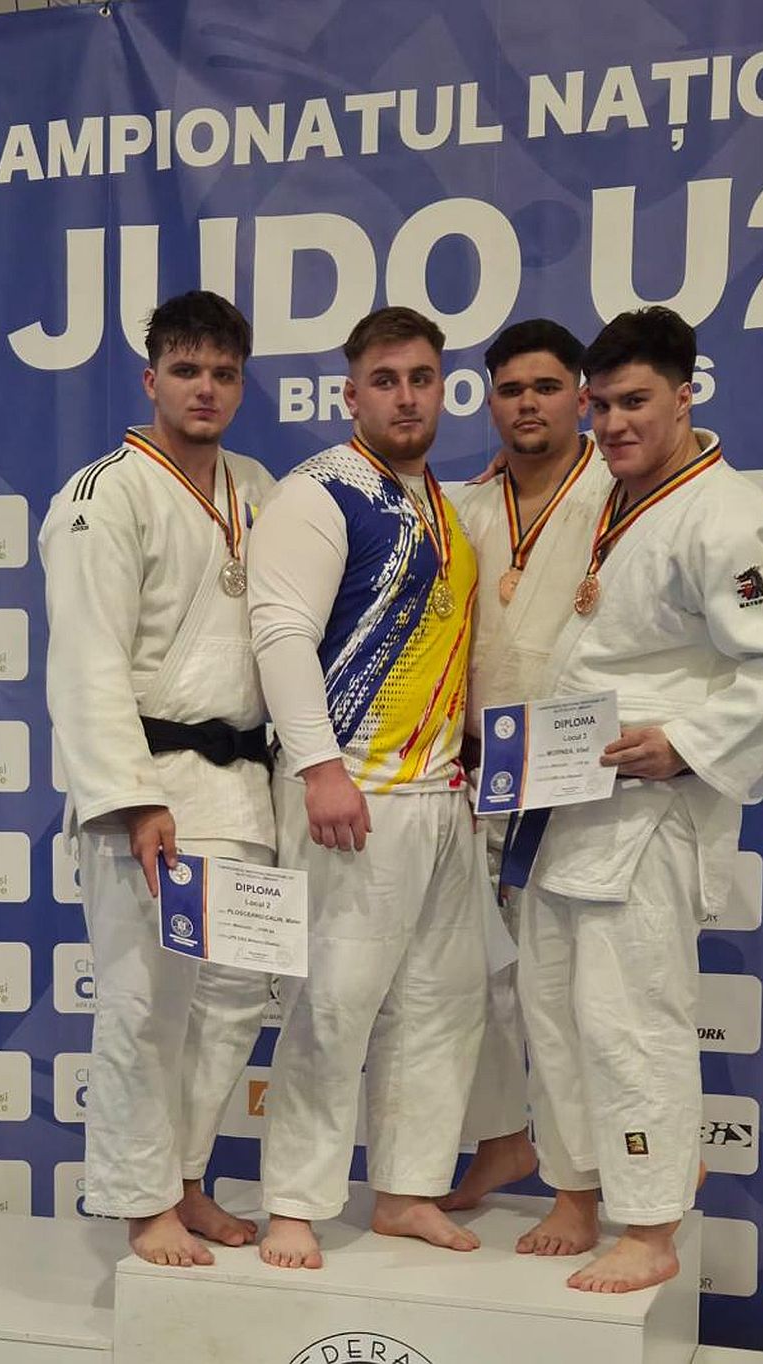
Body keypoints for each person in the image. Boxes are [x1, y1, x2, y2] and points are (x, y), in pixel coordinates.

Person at [514, 306, 763, 1292]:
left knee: (628, 1018)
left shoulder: (722, 516)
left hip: (648, 811)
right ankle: (575, 1189)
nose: (612, 422)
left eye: (634, 402)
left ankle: (649, 1222)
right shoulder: (619, 498)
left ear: (686, 395)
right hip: (571, 799)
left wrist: (689, 744)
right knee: (553, 1010)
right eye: (600, 404)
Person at [39, 291, 276, 1267]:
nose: (205, 388)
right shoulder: (104, 494)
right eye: (186, 370)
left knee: (233, 999)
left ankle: (185, 1177)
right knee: (145, 1004)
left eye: (223, 373)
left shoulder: (257, 486)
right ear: (151, 380)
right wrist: (135, 800)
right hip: (153, 791)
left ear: (241, 384)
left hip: (243, 787)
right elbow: (86, 659)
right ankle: (141, 1202)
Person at [247, 306, 487, 1270]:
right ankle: (293, 1205)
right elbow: (280, 634)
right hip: (353, 793)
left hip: (439, 796)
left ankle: (406, 1189)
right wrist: (319, 767)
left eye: (422, 378)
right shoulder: (320, 492)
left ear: (443, 390)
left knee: (441, 1003)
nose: (406, 396)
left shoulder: (445, 507)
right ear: (351, 395)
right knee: (335, 1006)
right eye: (385, 380)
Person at [441, 319, 613, 1222]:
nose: (528, 404)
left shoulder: (619, 495)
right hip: (482, 775)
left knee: (582, 990)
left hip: (586, 779)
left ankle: (606, 1169)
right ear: (490, 403)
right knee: (472, 977)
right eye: (510, 390)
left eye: (547, 387)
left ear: (581, 397)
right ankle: (503, 1137)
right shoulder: (465, 509)